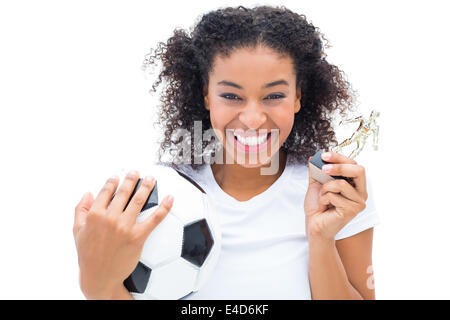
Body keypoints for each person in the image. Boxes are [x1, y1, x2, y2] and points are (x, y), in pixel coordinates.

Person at [73, 5, 380, 300]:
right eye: (231, 95)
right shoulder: (159, 195)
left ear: (297, 97)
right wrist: (96, 285)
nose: (252, 119)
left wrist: (321, 238)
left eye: (274, 95)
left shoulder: (334, 192)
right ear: (206, 95)